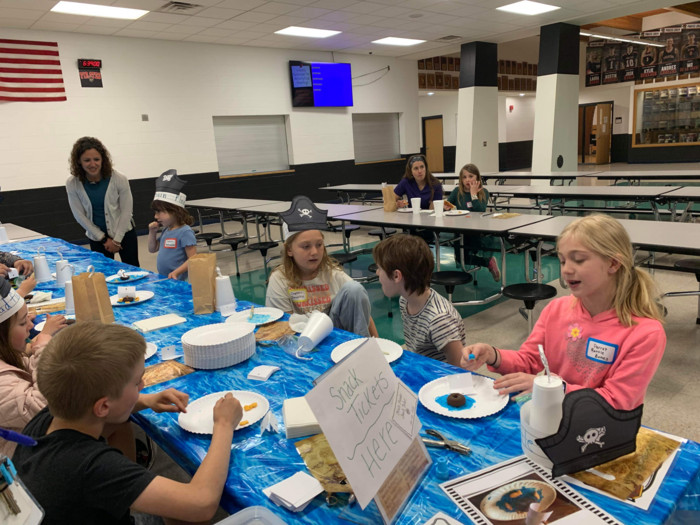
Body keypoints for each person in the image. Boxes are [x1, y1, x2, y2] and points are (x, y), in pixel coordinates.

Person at [13, 321, 242, 525]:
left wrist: (147, 400)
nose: (142, 385)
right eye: (136, 383)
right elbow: (201, 503)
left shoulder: (52, 415)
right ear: (103, 406)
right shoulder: (90, 466)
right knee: (191, 515)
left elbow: (104, 413)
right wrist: (224, 425)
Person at [460, 214, 666, 411]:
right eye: (563, 260)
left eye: (578, 259)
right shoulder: (557, 310)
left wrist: (551, 388)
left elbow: (617, 401)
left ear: (613, 263)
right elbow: (529, 361)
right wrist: (492, 354)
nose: (566, 270)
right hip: (553, 416)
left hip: (601, 432)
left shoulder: (644, 333)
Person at [266, 196, 378, 338]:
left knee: (354, 289)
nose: (314, 252)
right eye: (306, 246)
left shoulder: (332, 273)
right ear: (289, 250)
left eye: (319, 245)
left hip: (334, 335)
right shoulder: (280, 279)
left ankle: (363, 348)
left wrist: (378, 345)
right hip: (300, 338)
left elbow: (363, 314)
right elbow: (282, 328)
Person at [373, 234, 466, 365]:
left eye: (380, 268)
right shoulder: (405, 300)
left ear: (396, 276)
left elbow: (461, 369)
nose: (377, 272)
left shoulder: (439, 320)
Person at [0, 277, 67, 457]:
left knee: (113, 420)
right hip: (26, 457)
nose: (31, 326)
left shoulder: (9, 358)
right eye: (23, 323)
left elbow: (27, 369)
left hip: (33, 439)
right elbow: (43, 408)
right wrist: (43, 349)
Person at [66, 137, 140, 267]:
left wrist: (117, 240)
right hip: (97, 238)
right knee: (103, 273)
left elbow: (127, 211)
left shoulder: (119, 179)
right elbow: (79, 215)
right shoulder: (72, 183)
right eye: (87, 160)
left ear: (103, 159)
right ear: (79, 161)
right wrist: (103, 238)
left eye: (96, 159)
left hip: (124, 234)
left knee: (133, 270)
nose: (92, 164)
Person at [446, 163, 500, 281]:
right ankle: (487, 262)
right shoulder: (457, 191)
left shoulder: (483, 192)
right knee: (461, 259)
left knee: (469, 252)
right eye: (464, 177)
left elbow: (479, 210)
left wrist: (473, 194)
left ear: (477, 178)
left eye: (470, 176)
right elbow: (449, 204)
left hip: (477, 231)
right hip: (460, 229)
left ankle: (489, 262)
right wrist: (447, 206)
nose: (467, 180)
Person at [148, 169, 197, 281]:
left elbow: (193, 259)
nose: (156, 216)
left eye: (160, 212)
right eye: (155, 212)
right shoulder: (167, 230)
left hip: (176, 279)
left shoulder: (185, 232)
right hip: (165, 278)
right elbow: (153, 249)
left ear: (175, 212)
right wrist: (152, 232)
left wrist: (176, 272)